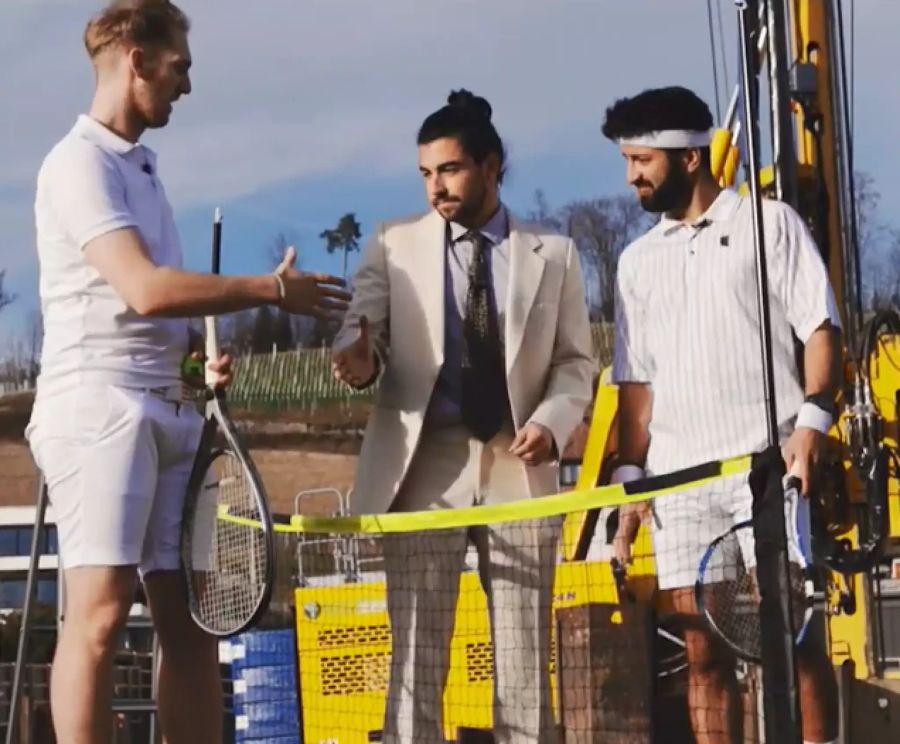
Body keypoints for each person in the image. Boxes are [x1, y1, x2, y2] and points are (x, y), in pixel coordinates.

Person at [25, 3, 350, 743]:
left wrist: (196, 363)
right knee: (99, 615)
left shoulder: (141, 169)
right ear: (136, 58)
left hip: (171, 411)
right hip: (98, 411)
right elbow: (143, 287)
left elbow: (148, 315)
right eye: (180, 67)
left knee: (193, 626)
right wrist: (270, 291)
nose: (188, 86)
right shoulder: (75, 163)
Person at [332, 89, 595, 744]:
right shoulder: (393, 244)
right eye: (425, 174)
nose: (435, 188)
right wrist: (355, 358)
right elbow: (357, 336)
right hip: (423, 471)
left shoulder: (554, 254)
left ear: (490, 165)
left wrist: (554, 422)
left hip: (520, 465)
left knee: (525, 663)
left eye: (448, 170)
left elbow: (575, 363)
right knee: (417, 659)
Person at [603, 85, 840, 744]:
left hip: (764, 471)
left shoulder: (771, 225)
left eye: (642, 161)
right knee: (701, 655)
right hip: (678, 483)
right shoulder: (634, 263)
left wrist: (812, 425)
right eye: (627, 162)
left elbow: (821, 328)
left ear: (688, 159)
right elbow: (636, 383)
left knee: (791, 640)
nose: (632, 177)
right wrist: (632, 480)